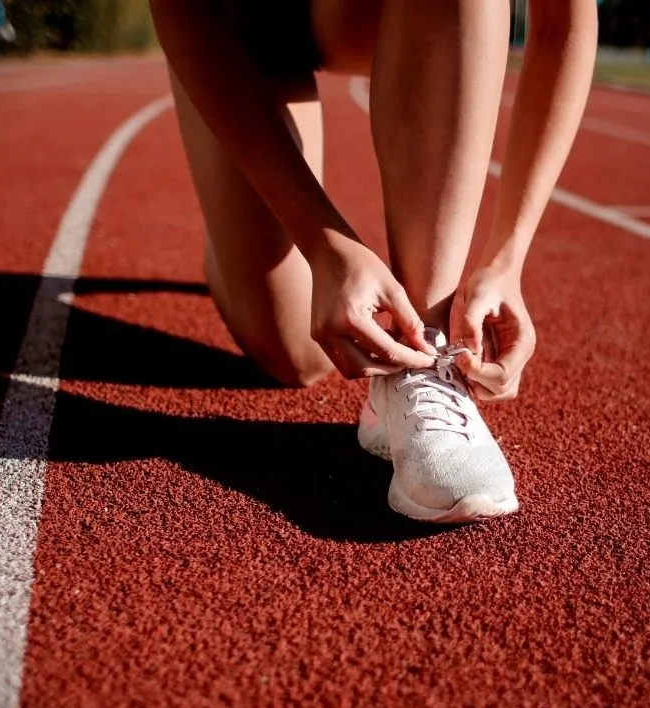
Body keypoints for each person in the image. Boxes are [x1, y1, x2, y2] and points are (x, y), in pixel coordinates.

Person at [149, 0, 596, 522]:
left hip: (370, 14)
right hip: (243, 21)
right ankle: (227, 243)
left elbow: (562, 23)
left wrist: (509, 255)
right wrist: (322, 243)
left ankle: (422, 355)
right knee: (295, 352)